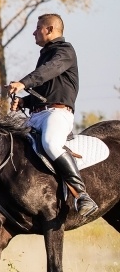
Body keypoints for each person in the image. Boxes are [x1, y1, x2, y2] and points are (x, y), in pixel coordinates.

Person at [8, 14, 98, 217]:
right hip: (38, 114)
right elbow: (45, 92)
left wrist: (24, 83)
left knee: (50, 143)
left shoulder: (65, 52)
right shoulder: (46, 54)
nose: (33, 31)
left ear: (50, 29)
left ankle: (82, 195)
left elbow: (49, 71)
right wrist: (24, 101)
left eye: (38, 27)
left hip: (58, 114)